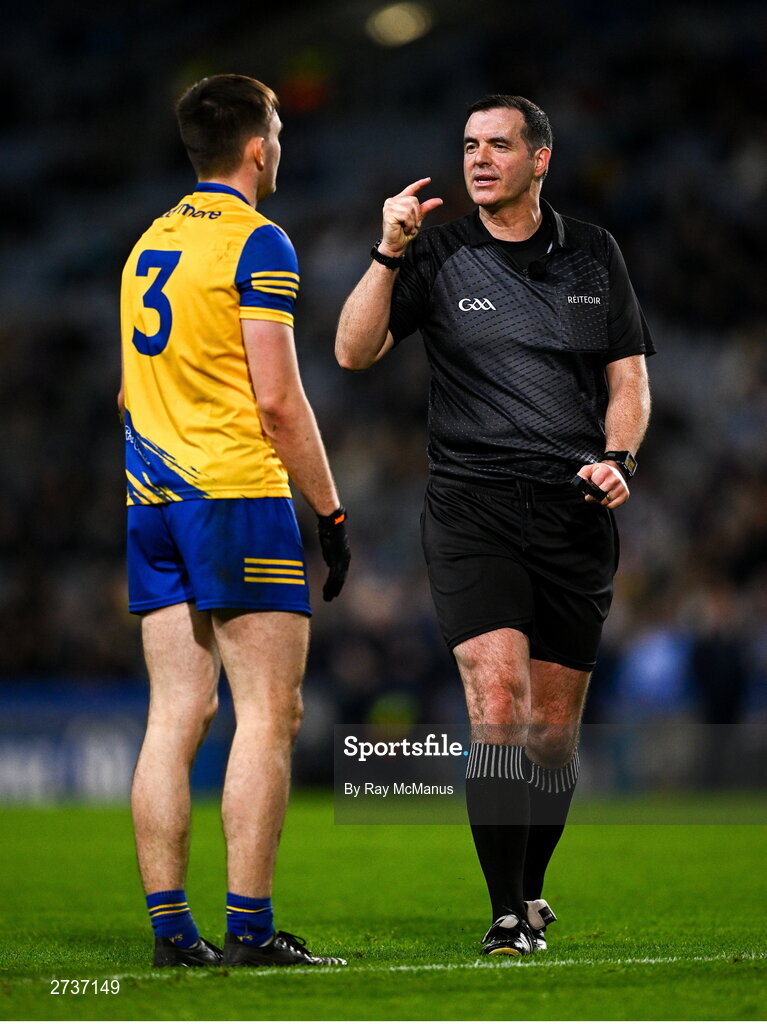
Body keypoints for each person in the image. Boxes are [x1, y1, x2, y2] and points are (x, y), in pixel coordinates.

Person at [335, 94, 652, 956]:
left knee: (550, 735)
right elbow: (352, 351)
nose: (478, 159)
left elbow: (627, 380)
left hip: (574, 508)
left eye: (498, 145)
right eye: (469, 145)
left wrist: (618, 461)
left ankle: (531, 890)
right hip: (471, 505)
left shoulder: (593, 253)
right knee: (498, 702)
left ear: (538, 159)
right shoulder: (435, 251)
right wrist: (386, 251)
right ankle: (505, 914)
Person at [119, 74, 350, 969]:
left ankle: (174, 933)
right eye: (280, 130)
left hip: (150, 499)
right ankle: (250, 929)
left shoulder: (147, 245)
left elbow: (125, 391)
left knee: (174, 713)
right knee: (268, 713)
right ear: (258, 147)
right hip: (235, 496)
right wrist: (328, 510)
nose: (282, 146)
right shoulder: (260, 244)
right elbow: (280, 401)